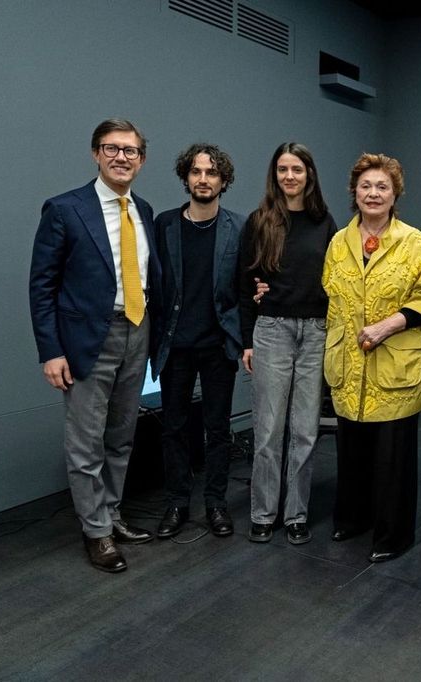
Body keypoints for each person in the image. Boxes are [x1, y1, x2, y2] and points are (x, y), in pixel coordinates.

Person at [29, 119, 160, 573]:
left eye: (131, 150)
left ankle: (111, 513)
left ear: (141, 159)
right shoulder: (65, 209)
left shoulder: (142, 209)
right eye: (112, 148)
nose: (122, 157)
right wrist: (50, 351)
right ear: (95, 154)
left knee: (122, 437)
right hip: (88, 340)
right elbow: (41, 286)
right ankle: (96, 532)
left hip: (137, 332)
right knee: (85, 443)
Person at [323, 153, 421, 563]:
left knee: (394, 457)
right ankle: (353, 518)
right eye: (366, 186)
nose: (373, 194)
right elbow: (329, 296)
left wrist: (387, 325)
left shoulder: (415, 242)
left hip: (394, 361)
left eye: (382, 187)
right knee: (352, 448)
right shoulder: (339, 242)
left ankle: (393, 535)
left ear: (395, 195)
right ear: (354, 193)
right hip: (349, 362)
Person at [238, 143, 337, 545]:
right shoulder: (260, 221)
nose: (290, 176)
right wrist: (247, 340)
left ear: (309, 174)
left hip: (315, 331)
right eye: (282, 169)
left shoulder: (325, 223)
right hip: (272, 330)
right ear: (274, 174)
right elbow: (244, 283)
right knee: (267, 430)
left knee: (305, 431)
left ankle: (296, 513)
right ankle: (263, 513)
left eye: (297, 169)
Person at [152, 143, 245, 539]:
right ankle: (176, 502)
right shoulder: (164, 224)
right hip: (175, 345)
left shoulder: (238, 227)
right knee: (173, 427)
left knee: (218, 429)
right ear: (185, 177)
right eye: (196, 172)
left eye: (211, 173)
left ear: (223, 180)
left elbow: (245, 285)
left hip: (218, 345)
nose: (203, 179)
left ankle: (215, 503)